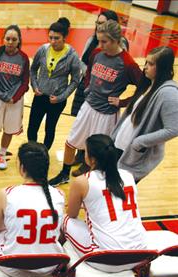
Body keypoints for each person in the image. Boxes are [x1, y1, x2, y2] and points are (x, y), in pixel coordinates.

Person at [49, 20, 142, 186]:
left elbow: (144, 87)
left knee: (98, 154)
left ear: (116, 40)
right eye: (99, 40)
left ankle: (92, 185)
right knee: (70, 142)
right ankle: (64, 174)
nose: (100, 45)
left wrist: (122, 102)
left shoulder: (127, 63)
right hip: (88, 107)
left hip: (107, 114)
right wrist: (88, 89)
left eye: (104, 41)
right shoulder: (97, 53)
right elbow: (89, 73)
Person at [62, 134, 147, 272]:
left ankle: (61, 266)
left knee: (64, 219)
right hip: (140, 255)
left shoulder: (83, 181)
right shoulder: (128, 175)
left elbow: (72, 214)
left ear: (92, 159)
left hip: (106, 259)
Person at [0, 142, 64, 277]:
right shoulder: (59, 194)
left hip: (11, 266)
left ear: (22, 168)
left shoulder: (6, 193)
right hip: (48, 267)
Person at [70, 10, 129, 171]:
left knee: (95, 132)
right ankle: (81, 154)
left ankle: (86, 162)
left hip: (104, 97)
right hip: (89, 87)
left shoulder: (121, 50)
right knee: (82, 125)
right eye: (97, 22)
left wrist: (122, 101)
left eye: (101, 23)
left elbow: (122, 74)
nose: (97, 26)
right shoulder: (92, 40)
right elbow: (85, 61)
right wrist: (89, 81)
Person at [112, 46, 178, 183]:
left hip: (132, 155)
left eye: (151, 64)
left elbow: (173, 129)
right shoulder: (148, 83)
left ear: (163, 67)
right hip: (120, 146)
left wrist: (140, 142)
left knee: (119, 197)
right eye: (146, 62)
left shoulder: (169, 93)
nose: (145, 67)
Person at [0, 25, 30, 170]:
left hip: (14, 100)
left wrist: (15, 97)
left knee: (9, 130)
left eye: (14, 39)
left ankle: (1, 155)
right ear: (3, 39)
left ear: (18, 41)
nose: (10, 42)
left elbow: (25, 81)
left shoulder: (23, 58)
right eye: (7, 39)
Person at [27, 18, 81, 151]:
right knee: (32, 126)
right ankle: (32, 150)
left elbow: (75, 80)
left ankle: (44, 152)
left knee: (49, 128)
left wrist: (61, 97)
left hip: (56, 101)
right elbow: (33, 69)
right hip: (40, 96)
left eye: (56, 38)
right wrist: (34, 86)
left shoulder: (72, 56)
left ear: (64, 38)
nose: (52, 41)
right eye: (50, 37)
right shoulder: (43, 50)